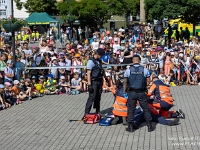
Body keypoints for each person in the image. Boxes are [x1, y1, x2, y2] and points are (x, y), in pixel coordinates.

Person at [123, 55, 153, 132]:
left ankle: (130, 127)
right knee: (145, 109)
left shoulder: (128, 70)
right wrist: (146, 87)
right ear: (139, 61)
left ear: (132, 61)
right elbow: (148, 80)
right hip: (142, 92)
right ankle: (149, 126)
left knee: (131, 109)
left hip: (132, 92)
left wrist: (124, 91)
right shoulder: (144, 69)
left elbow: (125, 82)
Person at [84, 48, 106, 118]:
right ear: (97, 54)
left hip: (99, 81)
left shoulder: (99, 61)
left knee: (98, 97)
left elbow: (101, 71)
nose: (102, 57)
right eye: (101, 55)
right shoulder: (91, 61)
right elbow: (88, 73)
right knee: (91, 97)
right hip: (93, 82)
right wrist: (89, 84)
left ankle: (97, 112)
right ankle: (86, 113)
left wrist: (104, 79)